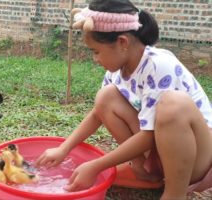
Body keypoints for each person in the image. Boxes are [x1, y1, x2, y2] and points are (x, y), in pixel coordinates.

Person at [35, 0, 212, 199]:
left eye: (96, 51)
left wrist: (96, 165)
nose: (95, 59)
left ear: (122, 43)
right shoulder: (118, 71)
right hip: (161, 153)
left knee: (173, 104)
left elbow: (148, 135)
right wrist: (63, 149)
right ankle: (143, 169)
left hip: (197, 157)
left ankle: (173, 193)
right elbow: (97, 114)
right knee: (106, 97)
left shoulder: (160, 65)